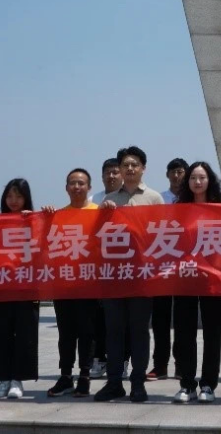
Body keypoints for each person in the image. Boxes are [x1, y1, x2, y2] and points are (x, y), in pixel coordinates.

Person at [95, 146, 164, 403]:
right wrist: (104, 215)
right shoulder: (109, 199)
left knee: (139, 331)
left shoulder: (154, 198)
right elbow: (97, 236)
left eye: (135, 164)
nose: (130, 169)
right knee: (113, 331)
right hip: (114, 276)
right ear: (120, 170)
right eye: (125, 165)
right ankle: (114, 382)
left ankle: (138, 383)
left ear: (143, 168)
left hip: (142, 276)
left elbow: (162, 234)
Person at [169, 161, 221, 403]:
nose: (198, 182)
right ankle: (187, 384)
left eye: (202, 177)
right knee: (184, 333)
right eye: (193, 178)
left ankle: (208, 385)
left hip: (212, 279)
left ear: (210, 180)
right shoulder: (178, 209)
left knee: (212, 333)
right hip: (185, 277)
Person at [44, 168, 99, 398]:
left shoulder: (99, 212)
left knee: (87, 332)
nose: (77, 187)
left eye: (81, 183)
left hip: (89, 283)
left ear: (89, 187)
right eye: (72, 183)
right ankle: (65, 376)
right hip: (64, 283)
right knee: (66, 333)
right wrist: (44, 217)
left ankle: (85, 376)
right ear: (66, 188)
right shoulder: (58, 215)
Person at [0, 178, 40, 399]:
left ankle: (18, 379)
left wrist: (40, 218)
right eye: (9, 196)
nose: (13, 200)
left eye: (18, 196)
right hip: (0, 286)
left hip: (26, 286)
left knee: (25, 333)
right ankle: (2, 379)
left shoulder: (34, 221)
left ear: (26, 198)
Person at [149, 157, 188, 382]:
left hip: (184, 267)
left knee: (183, 320)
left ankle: (182, 365)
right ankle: (160, 365)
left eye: (180, 171)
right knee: (160, 320)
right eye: (173, 171)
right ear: (167, 175)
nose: (176, 175)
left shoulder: (192, 200)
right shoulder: (158, 199)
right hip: (161, 266)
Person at [89, 158, 123, 378]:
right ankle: (99, 359)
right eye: (107, 173)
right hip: (98, 268)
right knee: (98, 319)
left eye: (115, 172)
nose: (111, 176)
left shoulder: (128, 199)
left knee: (122, 320)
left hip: (123, 267)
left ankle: (123, 361)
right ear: (102, 176)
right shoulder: (93, 200)